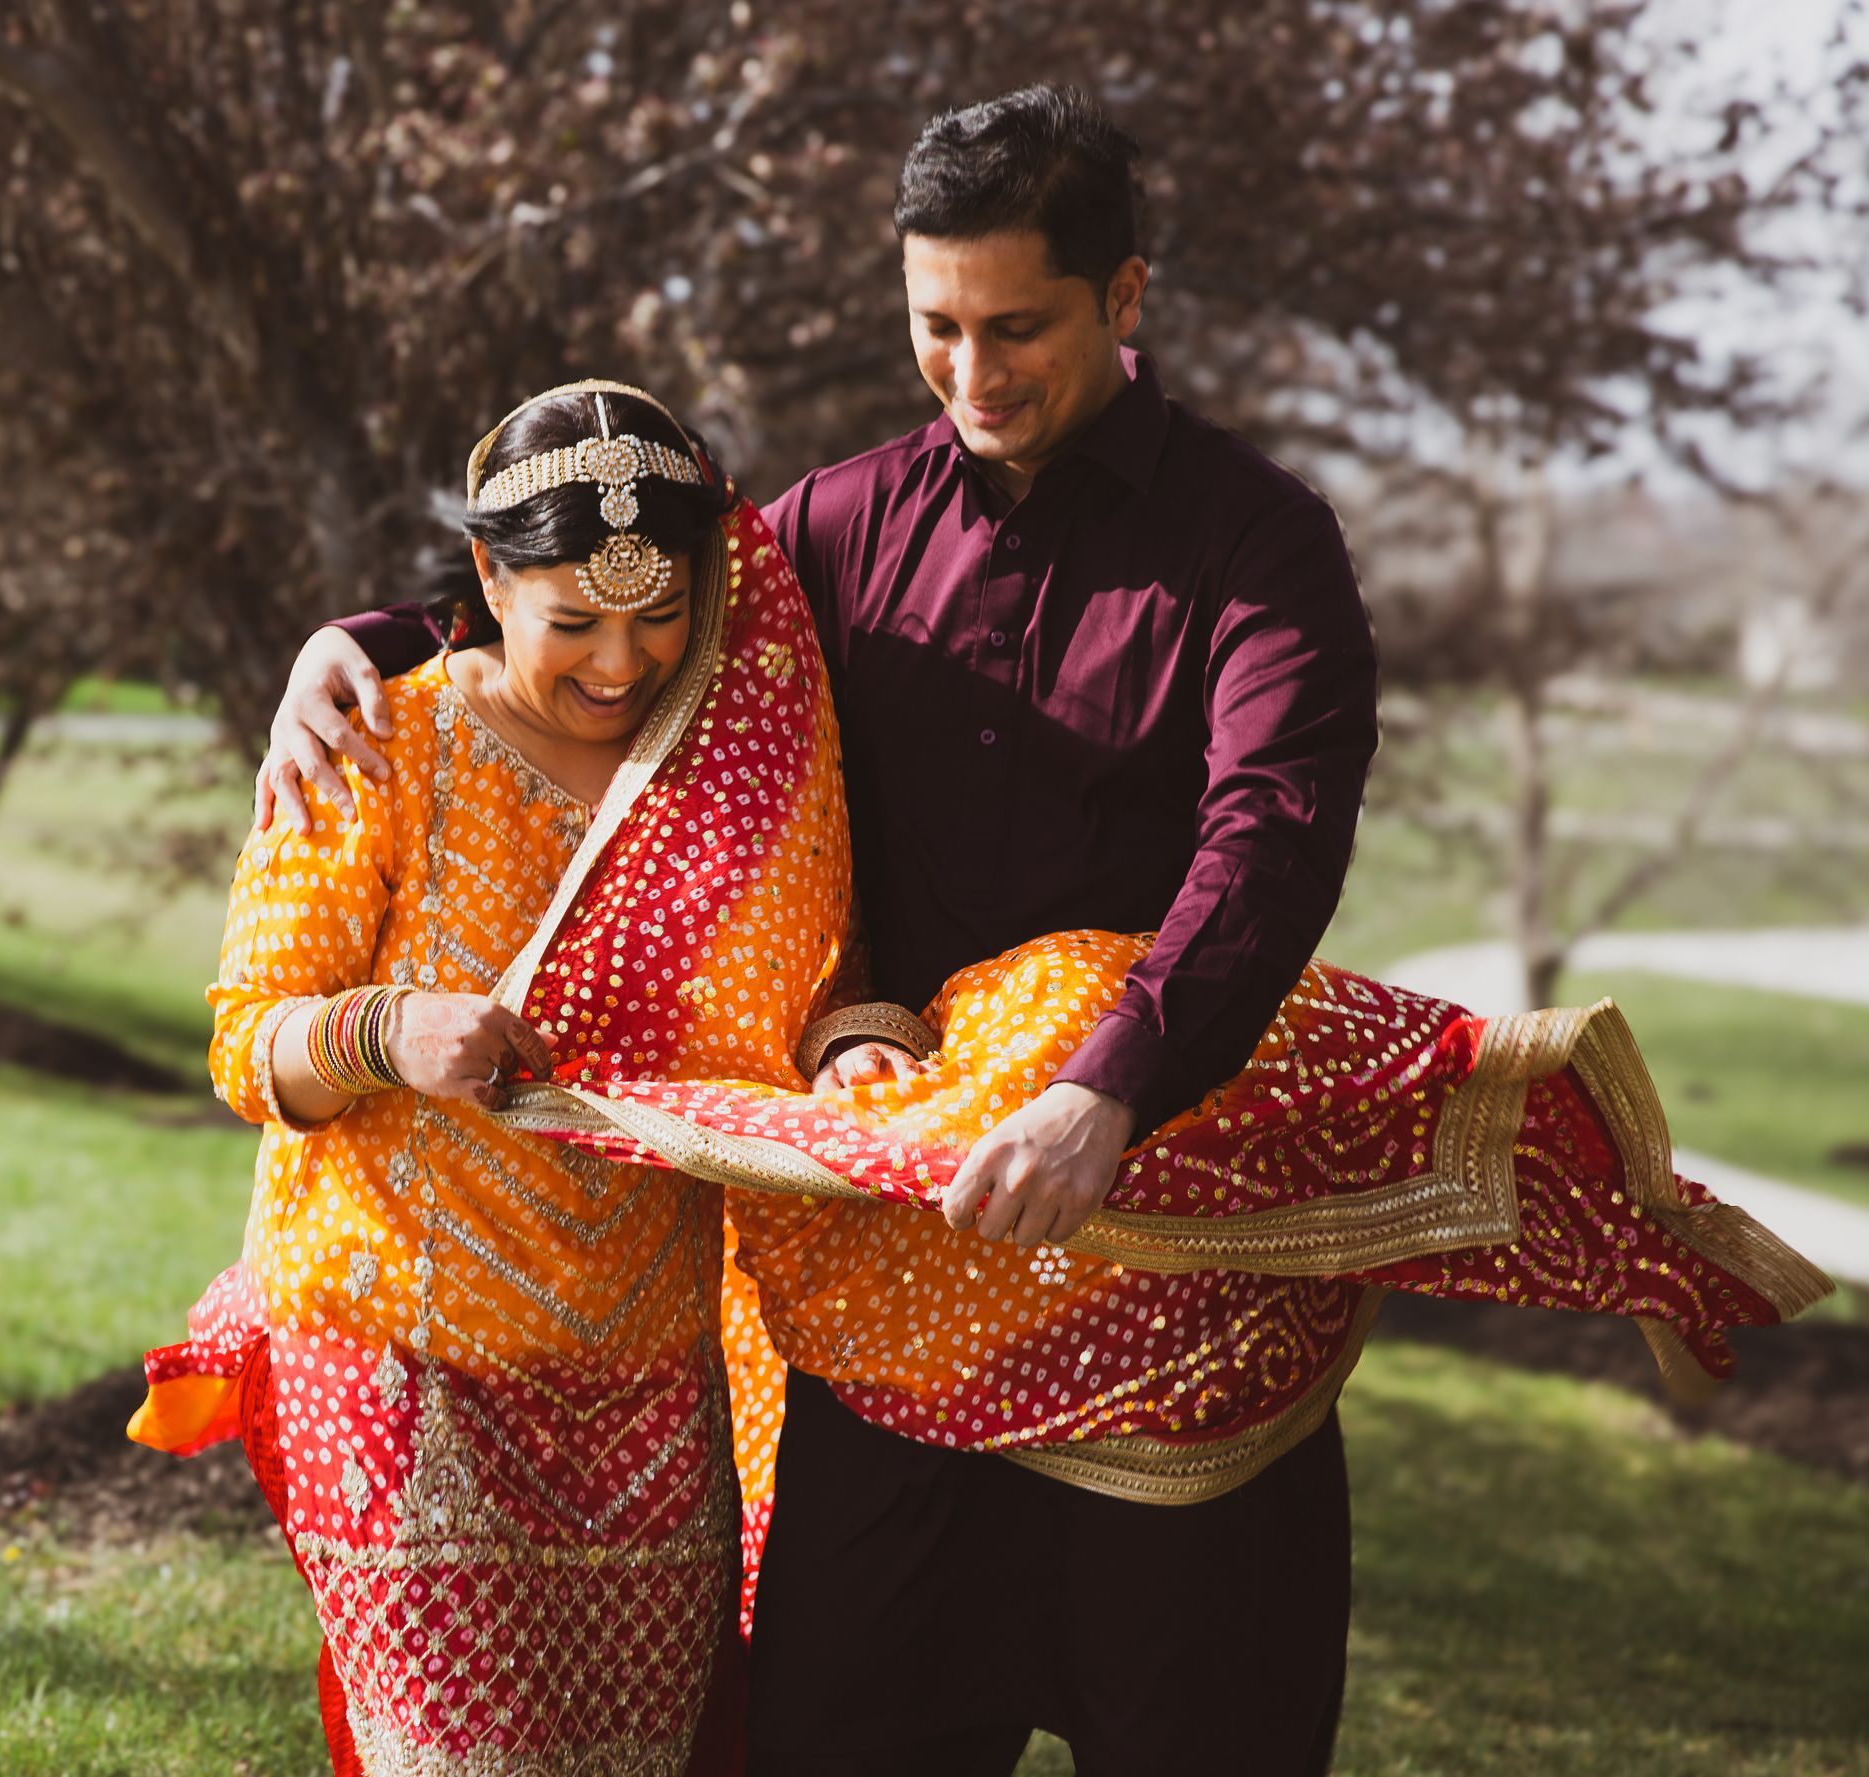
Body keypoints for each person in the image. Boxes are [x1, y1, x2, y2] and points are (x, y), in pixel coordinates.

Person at [247, 88, 1824, 1777]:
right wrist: (363, 637)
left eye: (1020, 327)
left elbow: (1271, 839)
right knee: (842, 1737)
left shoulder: (1258, 541)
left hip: (1167, 1273)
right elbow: (631, 596)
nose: (975, 374)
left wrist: (1109, 1085)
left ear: (1125, 300)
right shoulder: (838, 528)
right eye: (937, 328)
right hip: (896, 1295)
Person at [130, 380, 848, 1775]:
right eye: (573, 621)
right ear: (484, 577)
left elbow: (817, 973)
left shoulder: (725, 765)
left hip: (649, 1374)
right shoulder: (374, 744)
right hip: (399, 1362)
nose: (620, 662)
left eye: (659, 617)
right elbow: (244, 1037)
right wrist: (388, 1033)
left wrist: (846, 1039)